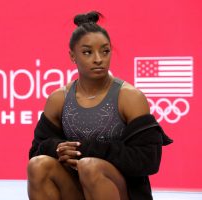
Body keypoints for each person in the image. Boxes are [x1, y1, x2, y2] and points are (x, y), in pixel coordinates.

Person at [27, 11, 172, 200]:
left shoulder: (129, 97)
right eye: (87, 52)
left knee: (90, 165)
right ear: (72, 55)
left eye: (105, 51)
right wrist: (58, 147)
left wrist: (85, 150)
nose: (98, 59)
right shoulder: (59, 99)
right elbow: (35, 152)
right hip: (77, 189)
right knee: (38, 165)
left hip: (123, 192)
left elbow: (148, 160)